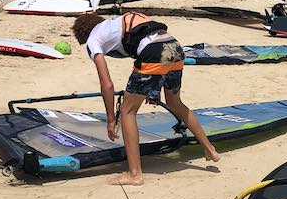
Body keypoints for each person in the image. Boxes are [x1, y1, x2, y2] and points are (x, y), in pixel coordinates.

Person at [70, 10, 220, 185]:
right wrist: (152, 89)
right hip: (175, 47)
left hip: (154, 52)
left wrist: (111, 119)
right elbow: (148, 41)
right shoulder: (114, 23)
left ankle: (135, 175)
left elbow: (107, 84)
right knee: (175, 102)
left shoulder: (93, 40)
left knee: (127, 112)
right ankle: (210, 149)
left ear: (83, 34)